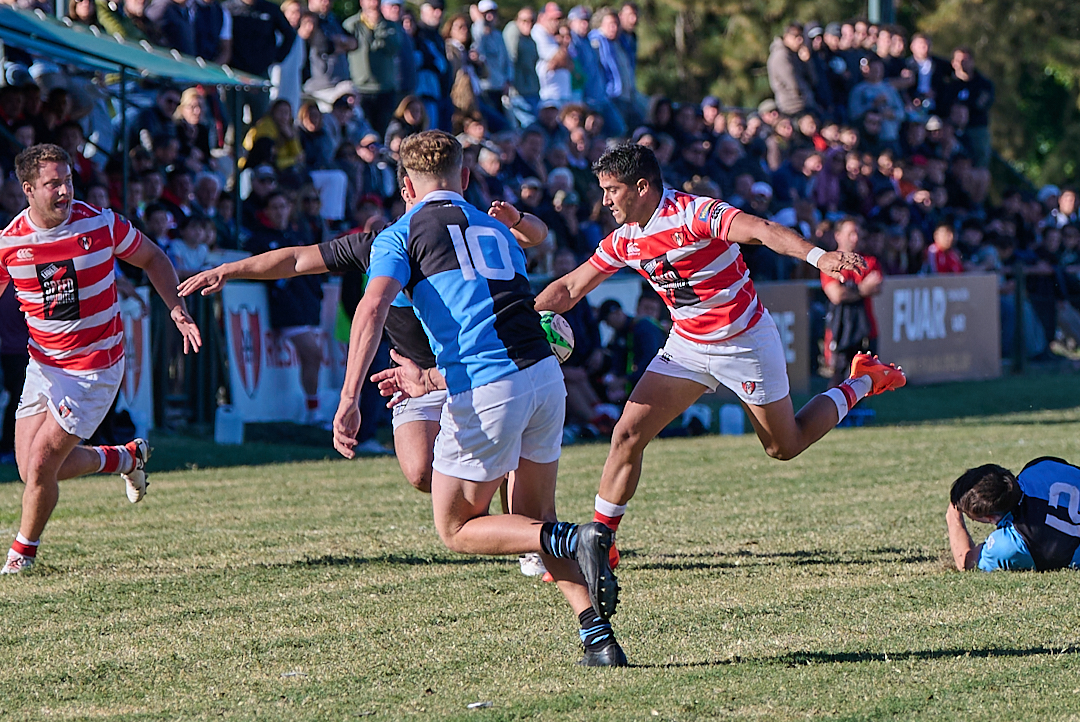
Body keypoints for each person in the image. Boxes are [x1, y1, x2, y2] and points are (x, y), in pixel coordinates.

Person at [534, 143, 907, 569]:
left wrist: (819, 257)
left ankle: (863, 380)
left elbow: (763, 229)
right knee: (626, 434)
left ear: (641, 187)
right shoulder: (624, 239)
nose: (604, 201)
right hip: (687, 347)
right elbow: (570, 288)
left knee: (784, 447)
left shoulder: (695, 213)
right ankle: (601, 544)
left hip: (745, 341)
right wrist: (525, 319)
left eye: (611, 190)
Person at [332, 130, 624, 666]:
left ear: (405, 186)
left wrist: (350, 395)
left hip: (490, 387)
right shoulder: (496, 226)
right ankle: (598, 640)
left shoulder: (399, 234)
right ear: (465, 179)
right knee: (534, 519)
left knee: (458, 528)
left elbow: (372, 309)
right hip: (544, 376)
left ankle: (578, 539)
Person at [179, 171, 548, 494]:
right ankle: (504, 503)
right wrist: (229, 269)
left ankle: (523, 533)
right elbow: (296, 259)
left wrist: (518, 220)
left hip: (470, 369)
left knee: (484, 474)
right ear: (407, 193)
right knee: (421, 473)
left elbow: (533, 236)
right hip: (411, 376)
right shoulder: (381, 243)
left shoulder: (464, 231)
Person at [0, 144, 201, 575]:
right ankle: (126, 457)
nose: (65, 190)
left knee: (40, 467)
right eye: (53, 183)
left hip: (95, 368)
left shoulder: (100, 224)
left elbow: (153, 258)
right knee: (27, 470)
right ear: (28, 189)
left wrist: (177, 309)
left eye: (68, 179)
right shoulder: (11, 243)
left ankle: (22, 555)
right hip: (43, 366)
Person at [947, 458, 1080, 571]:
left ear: (991, 517)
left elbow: (966, 562)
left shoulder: (1010, 543)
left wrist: (953, 514)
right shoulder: (1041, 465)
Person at [821, 217, 882, 387]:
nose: (855, 238)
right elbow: (836, 295)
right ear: (838, 235)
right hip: (839, 329)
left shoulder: (869, 261)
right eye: (850, 234)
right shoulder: (829, 262)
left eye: (857, 233)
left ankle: (859, 413)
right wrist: (862, 289)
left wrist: (852, 291)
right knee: (837, 378)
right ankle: (837, 413)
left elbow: (877, 285)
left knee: (864, 378)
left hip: (866, 327)